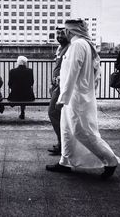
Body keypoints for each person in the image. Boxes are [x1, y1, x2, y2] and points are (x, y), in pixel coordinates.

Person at [46, 19, 120, 180]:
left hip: (75, 98)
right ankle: (65, 162)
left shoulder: (77, 45)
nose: (63, 33)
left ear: (70, 31)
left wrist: (62, 98)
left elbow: (72, 73)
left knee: (82, 132)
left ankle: (111, 160)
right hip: (76, 95)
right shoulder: (84, 44)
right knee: (67, 130)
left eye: (65, 30)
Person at [47, 26, 70, 156]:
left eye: (62, 33)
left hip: (62, 86)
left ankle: (63, 144)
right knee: (59, 115)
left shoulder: (70, 48)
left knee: (53, 113)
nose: (60, 36)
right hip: (56, 86)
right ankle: (62, 144)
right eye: (58, 33)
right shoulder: (60, 48)